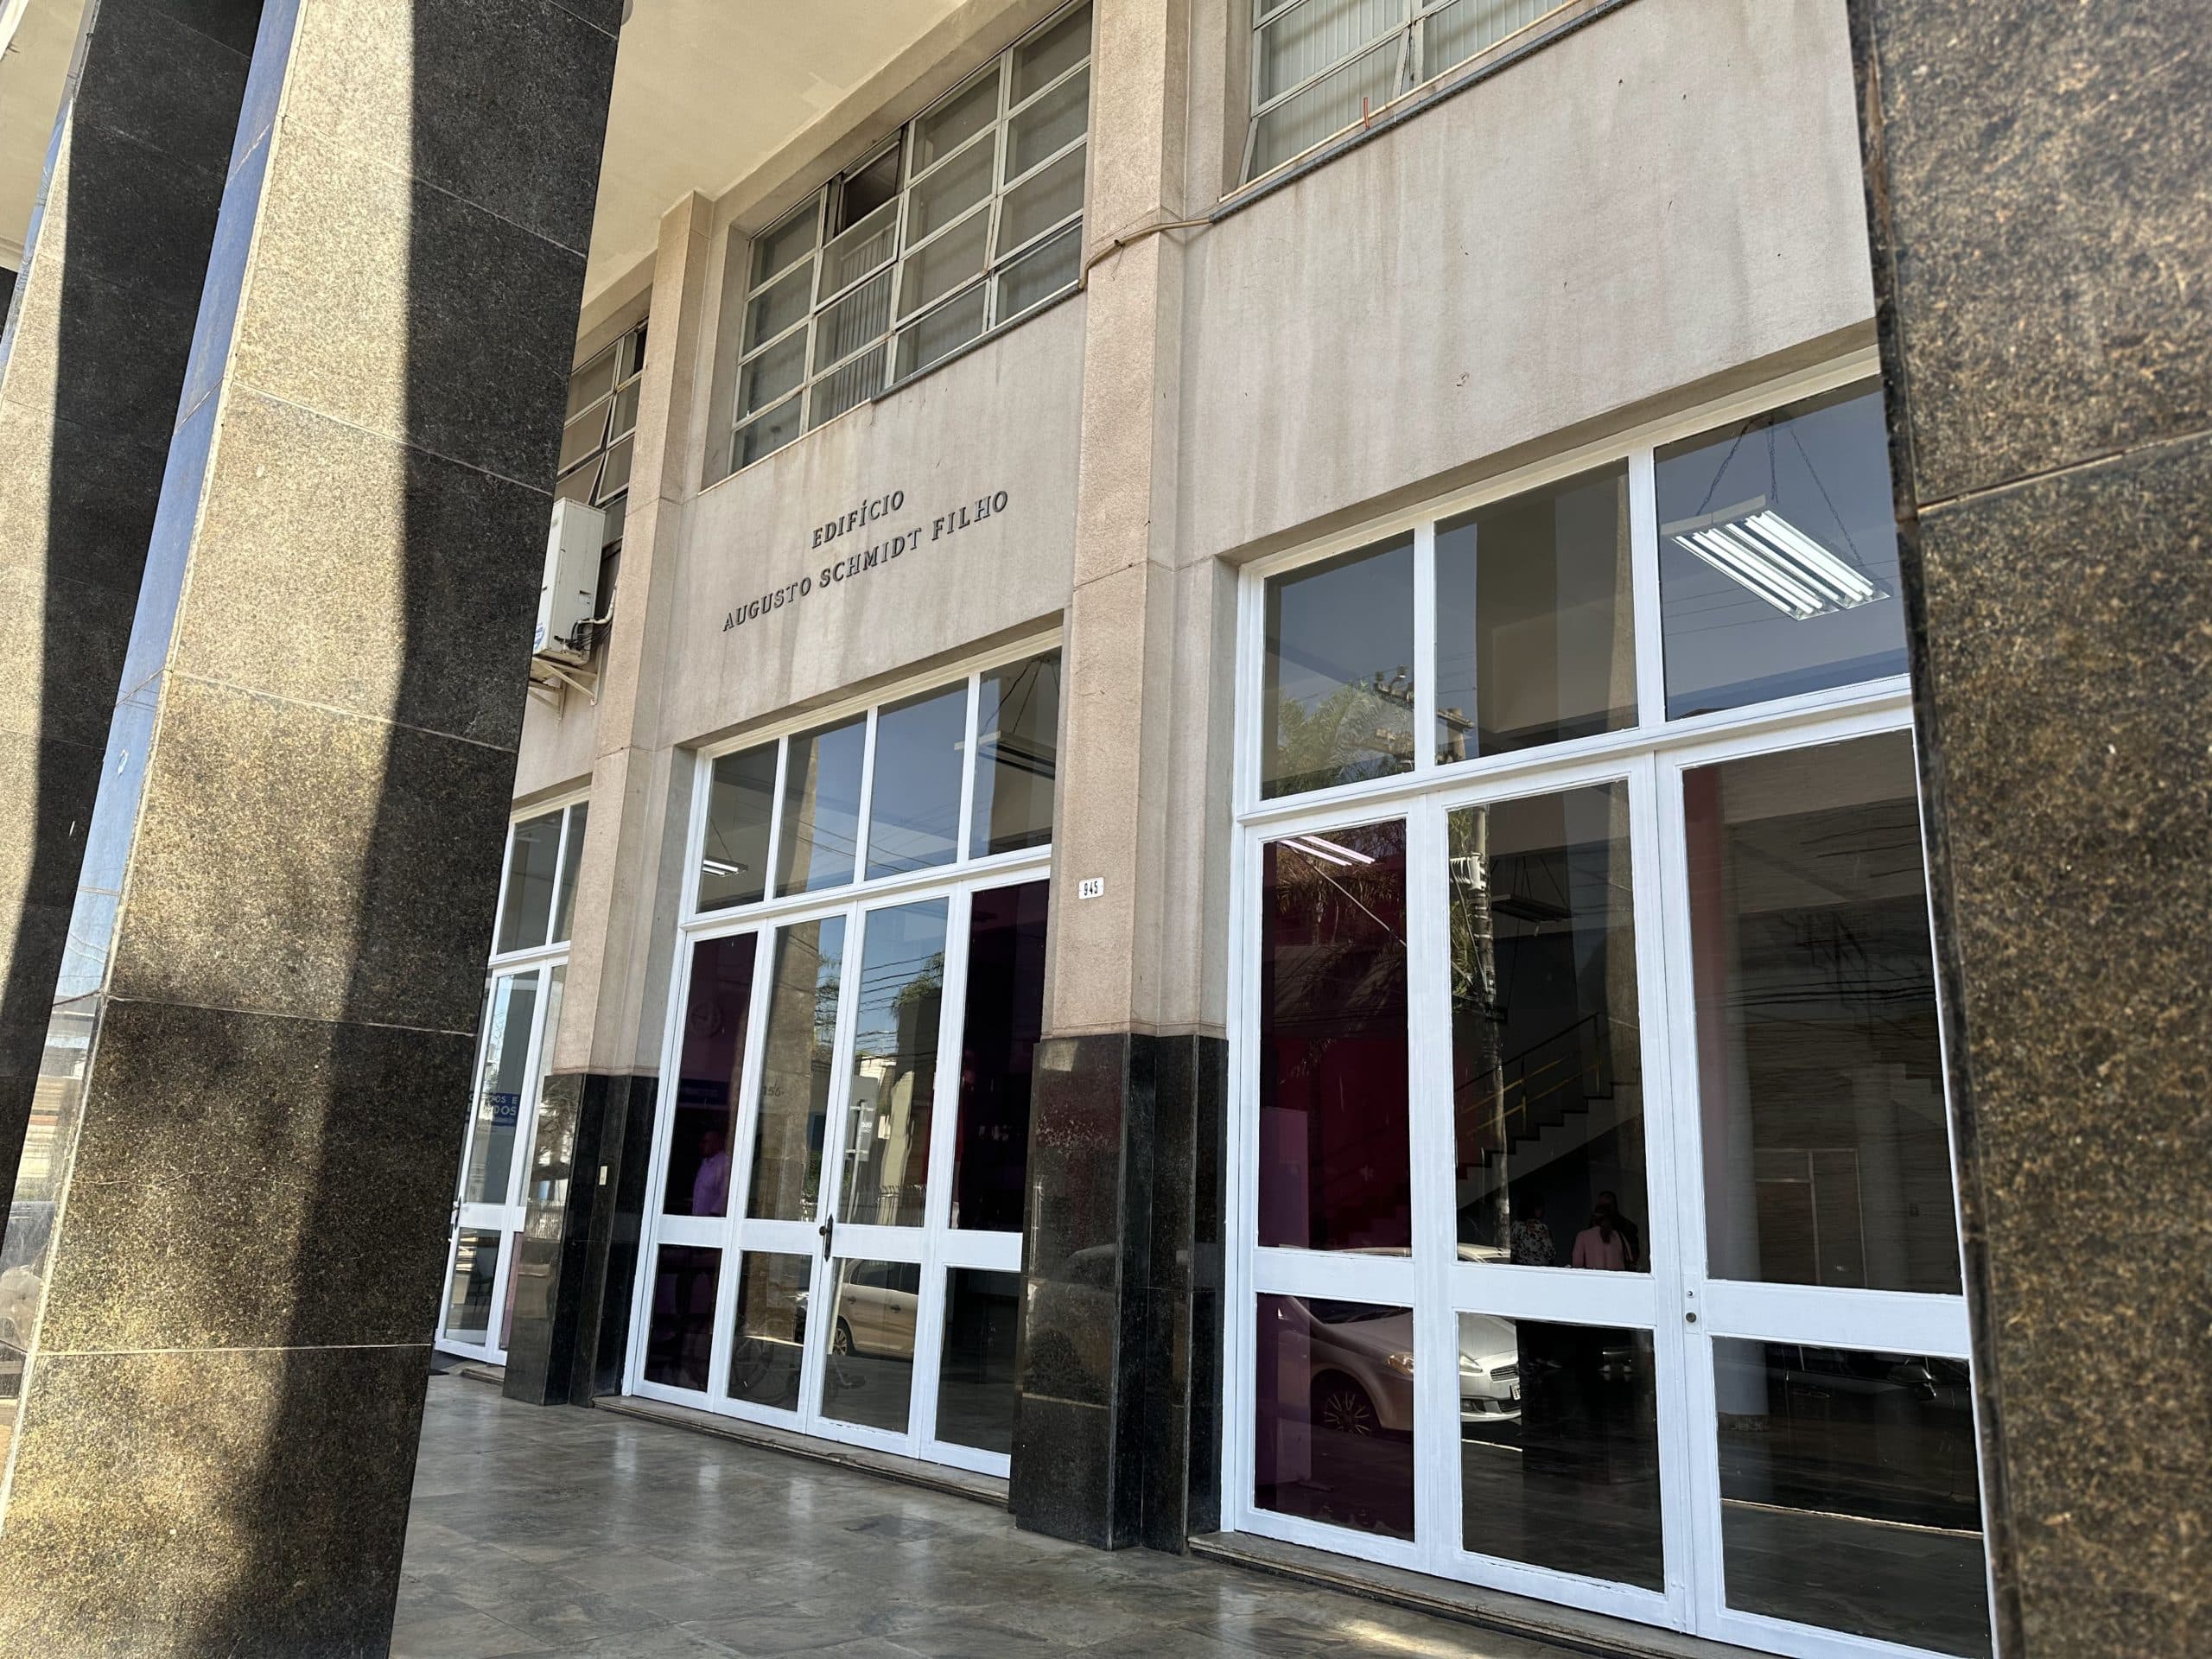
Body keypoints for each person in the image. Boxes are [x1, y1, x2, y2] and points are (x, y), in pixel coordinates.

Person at [1594, 1190, 1643, 1270]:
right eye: (1601, 1206)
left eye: (1607, 1206)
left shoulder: (1627, 1227)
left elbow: (1633, 1256)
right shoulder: (1593, 1227)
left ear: (1613, 1206)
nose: (1603, 1210)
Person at [1572, 1205, 1630, 1271]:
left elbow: (1577, 1265)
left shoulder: (1583, 1236)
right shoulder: (1619, 1236)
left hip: (1595, 1277)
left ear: (1593, 1219)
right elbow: (1629, 1261)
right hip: (1617, 1277)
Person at [692, 1126, 732, 1216]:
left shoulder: (724, 1163)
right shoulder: (705, 1163)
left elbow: (724, 1195)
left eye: (706, 1142)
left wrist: (713, 1214)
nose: (702, 1145)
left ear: (716, 1142)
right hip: (697, 1217)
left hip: (711, 1219)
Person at [1509, 1198, 1556, 1267]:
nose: (1541, 1210)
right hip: (1539, 1266)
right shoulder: (1541, 1228)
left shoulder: (1516, 1225)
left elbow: (1512, 1249)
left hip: (1520, 1265)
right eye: (1538, 1208)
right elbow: (1549, 1252)